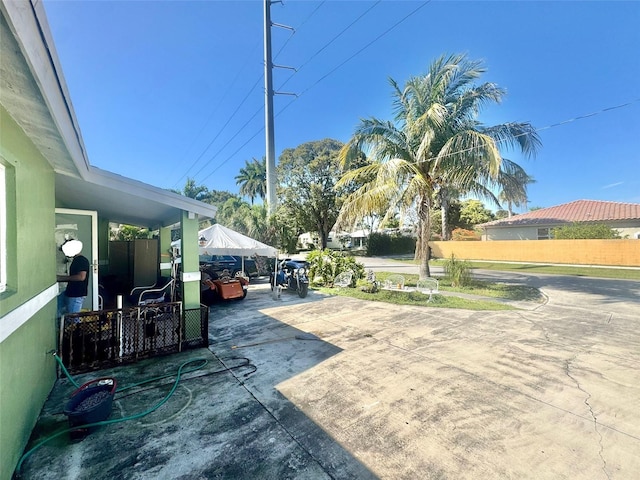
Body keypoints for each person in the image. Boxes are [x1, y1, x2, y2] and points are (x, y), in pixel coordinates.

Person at [57, 239, 90, 318]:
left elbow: (81, 277)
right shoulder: (77, 260)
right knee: (57, 305)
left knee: (73, 319)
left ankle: (73, 329)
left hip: (76, 294)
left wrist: (61, 278)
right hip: (70, 292)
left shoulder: (82, 260)